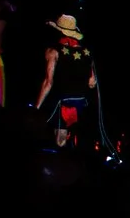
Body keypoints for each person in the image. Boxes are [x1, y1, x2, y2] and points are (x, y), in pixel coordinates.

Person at [33, 13, 98, 143]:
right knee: (71, 137)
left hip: (62, 101)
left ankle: (57, 160)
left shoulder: (53, 51)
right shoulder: (87, 52)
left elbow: (48, 82)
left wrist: (36, 108)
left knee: (59, 138)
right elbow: (92, 83)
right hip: (81, 102)